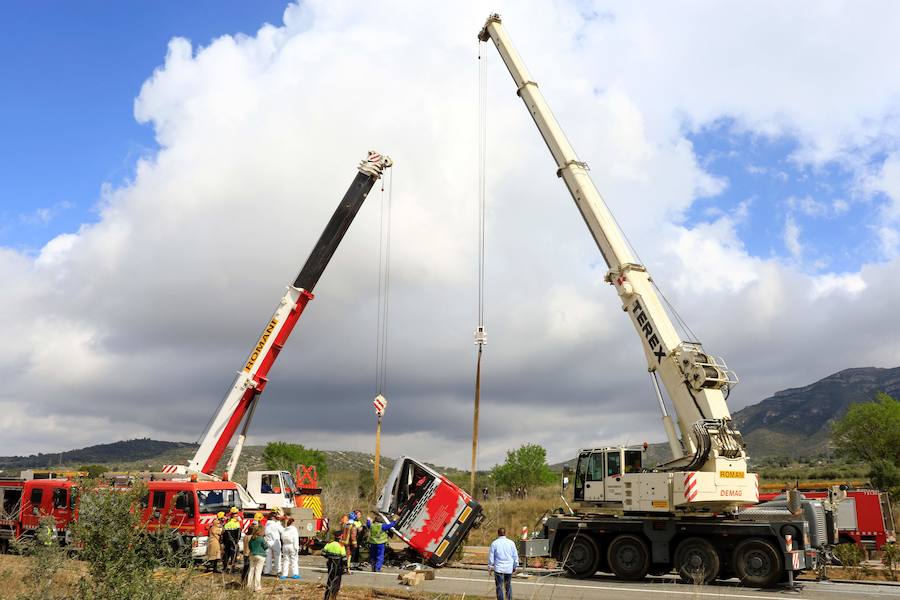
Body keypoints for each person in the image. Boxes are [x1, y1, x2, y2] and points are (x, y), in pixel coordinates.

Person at [488, 528, 519, 600]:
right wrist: (515, 566)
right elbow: (515, 556)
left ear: (498, 533)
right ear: (505, 533)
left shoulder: (494, 543)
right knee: (508, 585)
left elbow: (491, 557)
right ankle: (509, 599)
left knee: (499, 586)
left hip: (499, 568)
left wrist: (490, 567)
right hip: (508, 568)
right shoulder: (511, 543)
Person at [248, 525, 269, 593]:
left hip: (252, 555)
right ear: (260, 531)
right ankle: (257, 587)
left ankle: (249, 586)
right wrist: (266, 542)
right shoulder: (261, 538)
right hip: (260, 555)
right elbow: (265, 547)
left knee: (251, 571)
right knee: (258, 572)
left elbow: (249, 546)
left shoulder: (252, 538)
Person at [264, 509, 284, 576]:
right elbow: (282, 531)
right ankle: (278, 571)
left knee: (268, 557)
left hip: (268, 541)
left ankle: (267, 571)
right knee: (277, 557)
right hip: (275, 542)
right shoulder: (276, 524)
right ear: (273, 517)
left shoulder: (266, 524)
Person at [223, 507, 241, 573]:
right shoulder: (236, 524)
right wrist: (236, 542)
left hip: (227, 542)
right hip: (234, 542)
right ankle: (232, 569)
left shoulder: (227, 524)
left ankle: (225, 568)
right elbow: (238, 535)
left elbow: (224, 535)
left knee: (226, 555)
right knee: (234, 556)